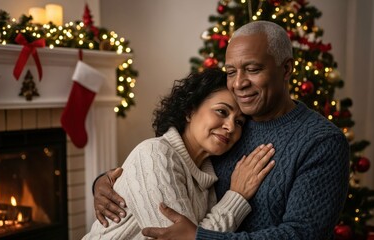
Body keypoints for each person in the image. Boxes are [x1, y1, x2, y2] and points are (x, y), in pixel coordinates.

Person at [93, 21, 350, 239]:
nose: (239, 83)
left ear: (286, 69)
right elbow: (165, 164)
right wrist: (107, 181)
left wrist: (199, 237)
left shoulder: (321, 141)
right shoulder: (232, 129)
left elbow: (301, 235)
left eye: (253, 69)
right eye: (231, 71)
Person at [84, 68, 276, 239]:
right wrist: (237, 197)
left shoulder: (206, 179)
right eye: (222, 112)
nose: (230, 126)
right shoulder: (154, 154)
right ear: (189, 111)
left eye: (240, 122)